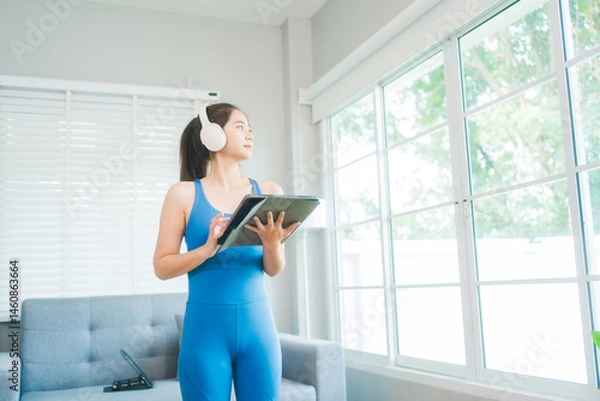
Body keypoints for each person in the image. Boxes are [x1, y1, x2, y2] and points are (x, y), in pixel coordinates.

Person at [153, 102, 298, 401]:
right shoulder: (182, 194)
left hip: (259, 332)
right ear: (213, 136)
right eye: (240, 126)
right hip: (205, 336)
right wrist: (206, 250)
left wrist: (272, 244)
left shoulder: (269, 191)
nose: (250, 135)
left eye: (250, 128)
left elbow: (273, 268)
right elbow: (162, 267)